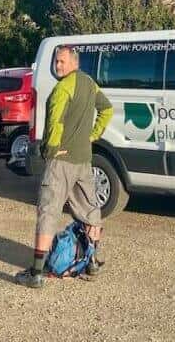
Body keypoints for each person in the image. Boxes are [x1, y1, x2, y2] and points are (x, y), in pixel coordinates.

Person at [15, 45, 113, 288]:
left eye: (61, 62)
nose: (58, 66)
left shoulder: (62, 89)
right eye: (56, 62)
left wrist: (49, 150)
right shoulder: (90, 83)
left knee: (48, 211)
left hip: (61, 161)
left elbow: (55, 123)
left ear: (74, 63)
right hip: (83, 159)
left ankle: (36, 273)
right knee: (91, 210)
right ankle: (91, 261)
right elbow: (107, 109)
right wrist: (93, 135)